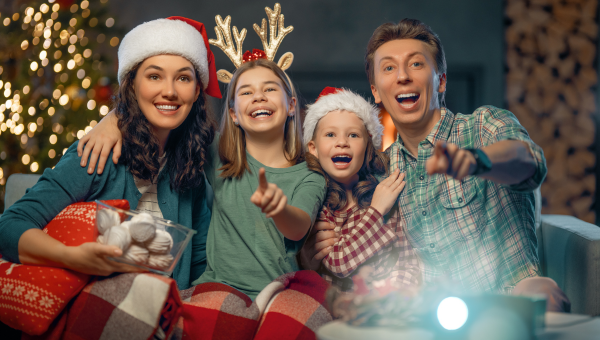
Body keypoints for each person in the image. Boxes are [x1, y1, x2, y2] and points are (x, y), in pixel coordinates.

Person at [300, 19, 570, 312]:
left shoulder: (483, 126)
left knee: (545, 296)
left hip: (507, 298)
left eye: (416, 64)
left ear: (440, 80)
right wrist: (310, 252)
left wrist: (478, 160)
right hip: (428, 313)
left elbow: (528, 161)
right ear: (376, 91)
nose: (402, 76)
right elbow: (354, 239)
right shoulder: (381, 171)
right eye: (389, 68)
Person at [77, 57, 326, 301]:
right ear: (234, 114)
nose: (259, 97)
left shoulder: (310, 175)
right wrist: (113, 119)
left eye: (270, 89)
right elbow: (166, 115)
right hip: (219, 288)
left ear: (292, 105)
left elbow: (298, 228)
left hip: (277, 292)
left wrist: (279, 209)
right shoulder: (219, 154)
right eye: (246, 92)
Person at [0, 17, 220, 290]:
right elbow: (8, 227)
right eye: (154, 76)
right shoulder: (97, 153)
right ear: (133, 85)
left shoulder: (191, 163)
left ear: (197, 89)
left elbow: (199, 263)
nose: (170, 91)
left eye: (184, 78)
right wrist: (72, 258)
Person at [303, 86, 420, 291]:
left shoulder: (384, 192)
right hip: (334, 311)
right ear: (313, 148)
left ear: (368, 146)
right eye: (330, 134)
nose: (342, 143)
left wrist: (397, 303)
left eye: (353, 135)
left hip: (385, 307)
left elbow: (407, 261)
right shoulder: (317, 202)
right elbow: (339, 262)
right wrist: (376, 212)